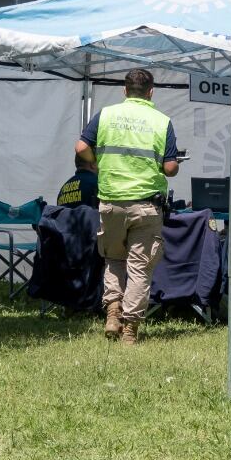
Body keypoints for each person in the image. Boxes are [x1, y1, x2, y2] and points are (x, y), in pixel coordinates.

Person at [77, 69, 179, 345]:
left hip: (110, 201)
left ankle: (112, 312)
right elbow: (169, 168)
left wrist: (98, 164)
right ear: (151, 92)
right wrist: (172, 164)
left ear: (124, 91)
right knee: (139, 267)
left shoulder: (106, 115)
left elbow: (80, 147)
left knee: (113, 258)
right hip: (145, 206)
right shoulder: (162, 121)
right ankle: (130, 330)